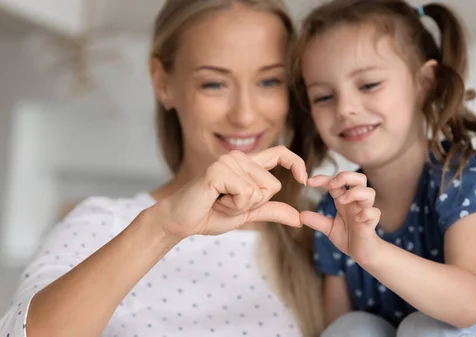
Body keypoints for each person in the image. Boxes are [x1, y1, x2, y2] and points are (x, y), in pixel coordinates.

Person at [0, 1, 325, 336]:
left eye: (269, 81)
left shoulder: (321, 235)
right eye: (214, 84)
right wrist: (163, 229)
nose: (244, 115)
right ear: (163, 83)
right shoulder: (100, 224)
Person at [291, 0, 476, 336]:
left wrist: (373, 251)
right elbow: (336, 324)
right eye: (324, 96)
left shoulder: (464, 179)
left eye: (368, 85)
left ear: (424, 83)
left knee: (425, 328)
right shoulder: (337, 206)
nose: (345, 108)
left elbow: (466, 306)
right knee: (351, 327)